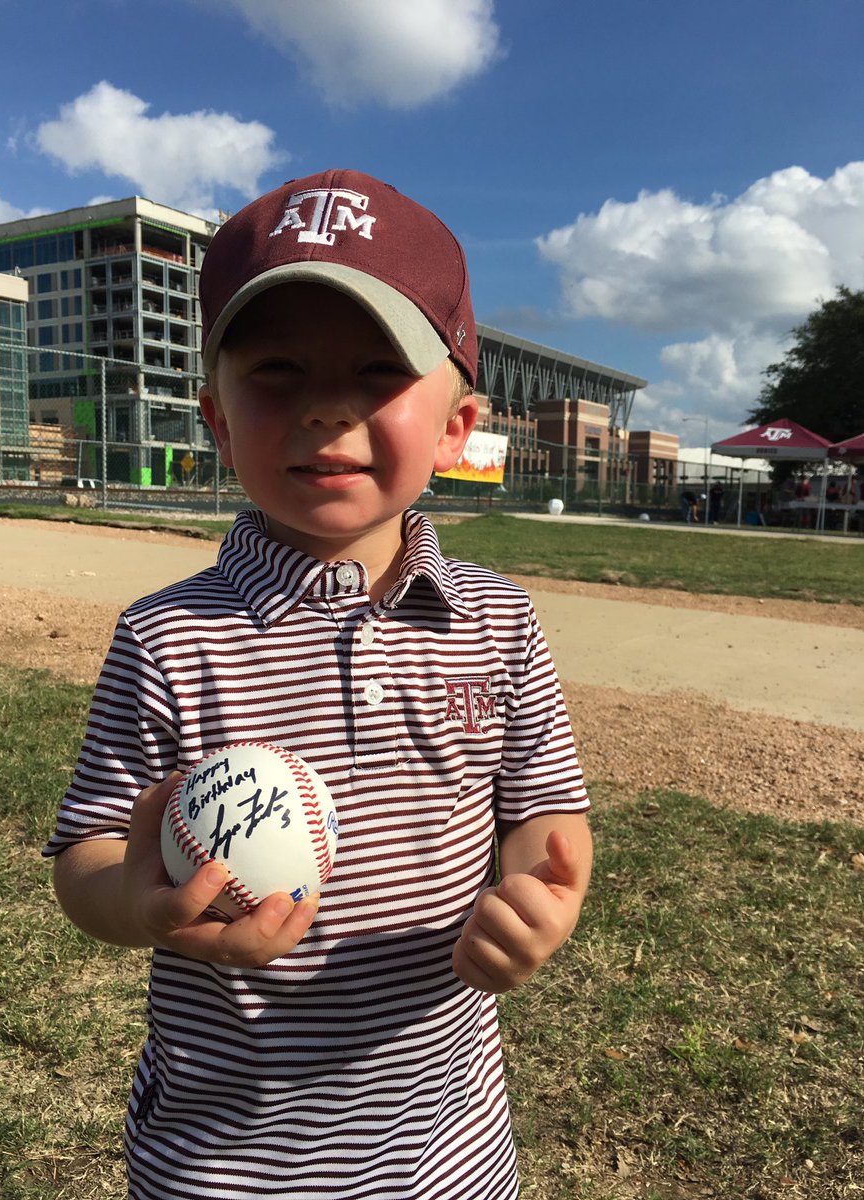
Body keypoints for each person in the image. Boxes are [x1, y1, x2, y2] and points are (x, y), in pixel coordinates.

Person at [44, 168, 593, 1200]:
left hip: (447, 1150)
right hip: (223, 1158)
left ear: (456, 425)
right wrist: (134, 897)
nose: (327, 409)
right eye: (279, 371)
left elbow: (543, 817)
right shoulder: (169, 636)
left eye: (380, 374)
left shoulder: (498, 622)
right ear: (215, 415)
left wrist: (540, 900)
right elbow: (87, 857)